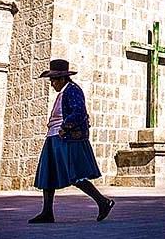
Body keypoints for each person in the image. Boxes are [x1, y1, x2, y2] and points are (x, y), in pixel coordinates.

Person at [29, 59, 115, 224]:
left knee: (76, 174)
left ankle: (102, 202)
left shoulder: (72, 91)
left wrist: (66, 126)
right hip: (53, 136)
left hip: (67, 138)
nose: (52, 84)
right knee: (49, 174)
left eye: (54, 80)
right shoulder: (63, 92)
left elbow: (79, 111)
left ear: (62, 79)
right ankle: (47, 212)